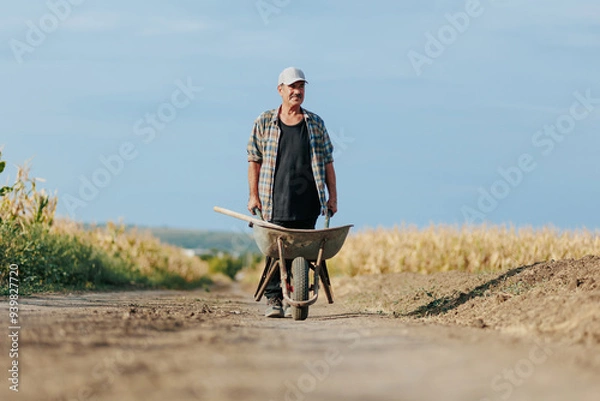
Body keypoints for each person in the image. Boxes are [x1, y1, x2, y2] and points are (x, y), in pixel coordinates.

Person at [247, 67, 338, 318]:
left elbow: (328, 161)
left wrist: (333, 198)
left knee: (302, 249)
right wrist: (253, 195)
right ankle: (274, 298)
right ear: (280, 90)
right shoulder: (265, 121)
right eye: (292, 87)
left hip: (309, 199)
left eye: (301, 87)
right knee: (276, 252)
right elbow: (254, 159)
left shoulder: (315, 123)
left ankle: (297, 294)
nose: (297, 91)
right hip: (273, 199)